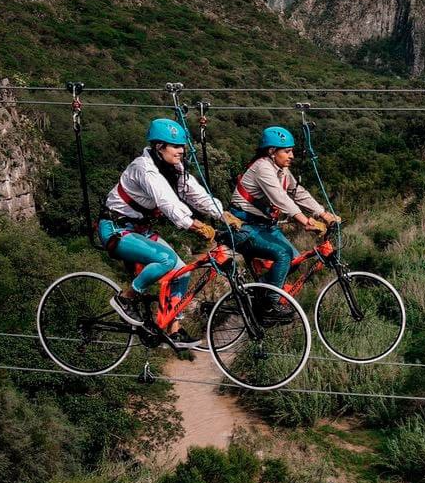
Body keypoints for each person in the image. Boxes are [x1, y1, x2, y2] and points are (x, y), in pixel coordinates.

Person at [100, 118, 243, 332]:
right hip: (116, 229)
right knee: (166, 259)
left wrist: (222, 214)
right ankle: (126, 298)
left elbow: (196, 194)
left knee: (182, 272)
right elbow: (169, 204)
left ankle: (173, 329)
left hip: (140, 230)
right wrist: (198, 226)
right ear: (159, 147)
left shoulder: (173, 168)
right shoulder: (146, 169)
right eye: (175, 146)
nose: (181, 151)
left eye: (182, 146)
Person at [229, 125, 341, 323]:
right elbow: (280, 198)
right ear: (272, 151)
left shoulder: (281, 170)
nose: (292, 156)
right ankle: (269, 307)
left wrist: (323, 213)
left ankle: (258, 292)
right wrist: (305, 220)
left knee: (295, 258)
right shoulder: (262, 168)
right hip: (243, 226)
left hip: (263, 226)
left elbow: (298, 192)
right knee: (283, 254)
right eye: (287, 151)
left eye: (292, 150)